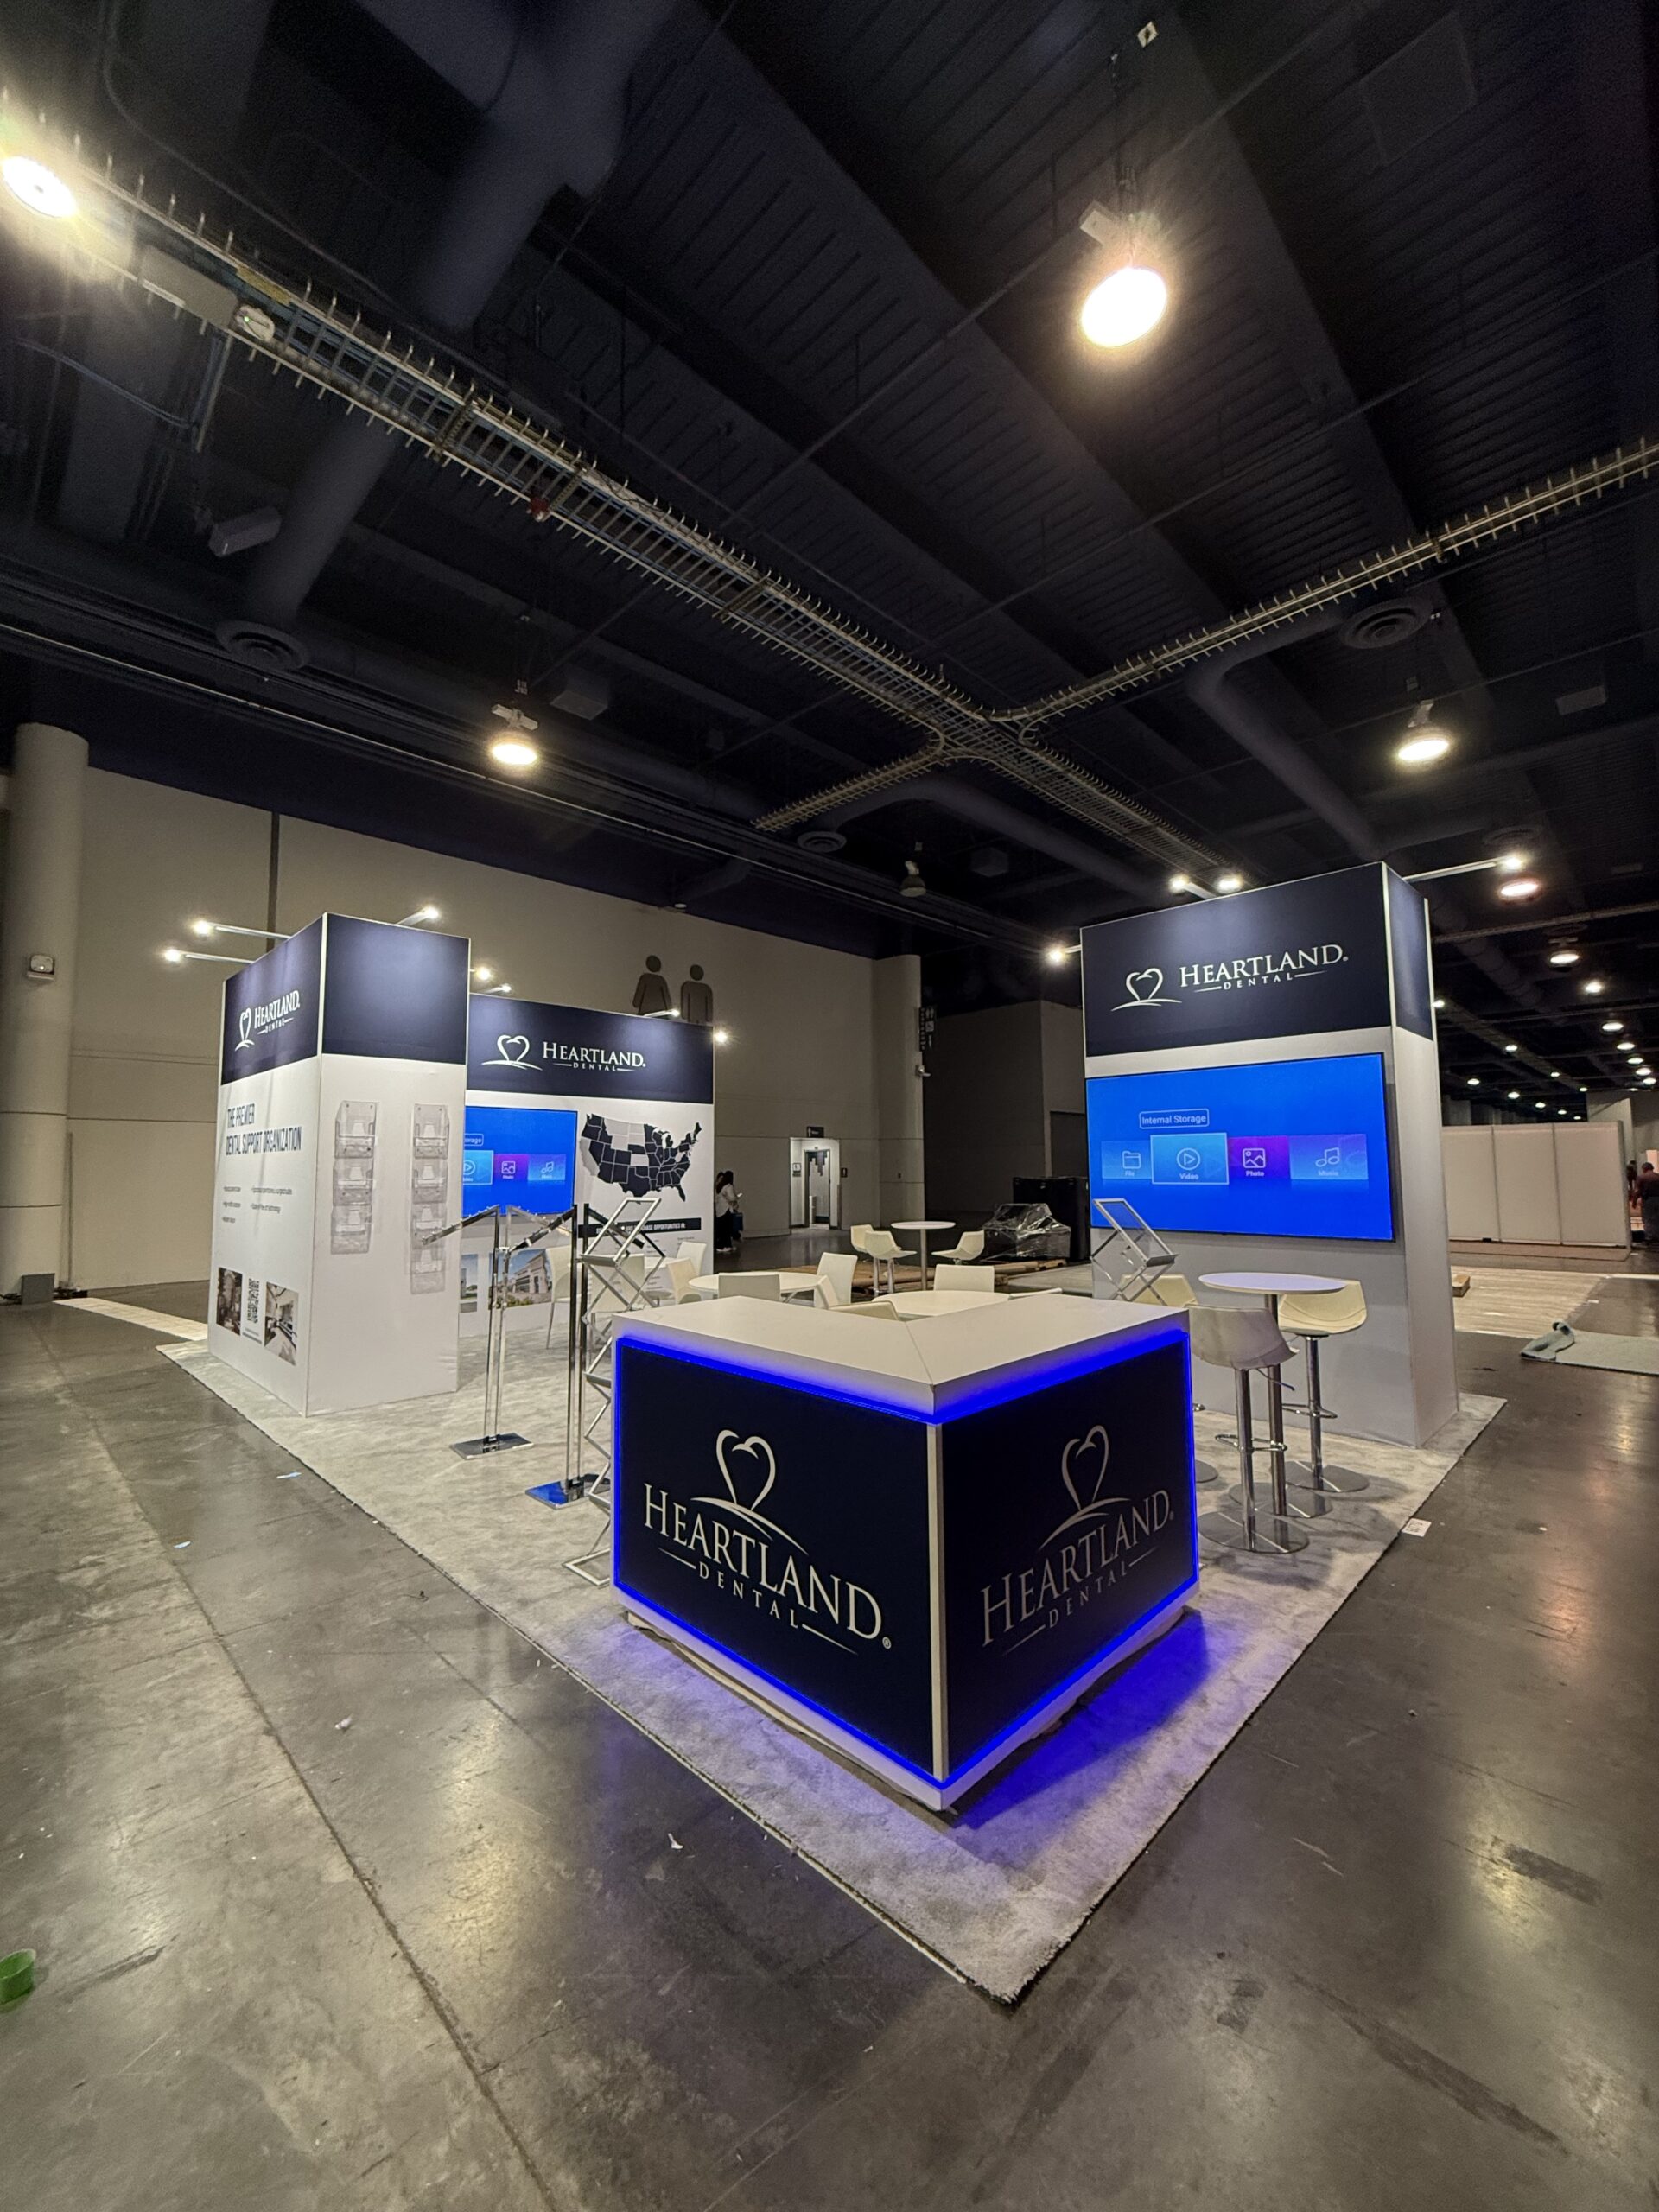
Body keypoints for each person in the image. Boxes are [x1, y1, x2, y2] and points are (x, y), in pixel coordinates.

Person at [714, 1169, 744, 1253]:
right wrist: (737, 1197)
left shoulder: (719, 1186)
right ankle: (724, 1246)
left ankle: (725, 1245)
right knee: (727, 1229)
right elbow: (732, 1198)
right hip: (726, 1210)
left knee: (722, 1229)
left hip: (719, 1210)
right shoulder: (729, 1186)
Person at [1637, 1160, 1659, 1246]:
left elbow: (1637, 1190)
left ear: (1644, 1169)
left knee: (1648, 1219)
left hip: (1648, 1200)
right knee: (1657, 1218)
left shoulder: (1642, 1177)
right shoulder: (1658, 1176)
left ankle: (1650, 1237)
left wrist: (1634, 1201)